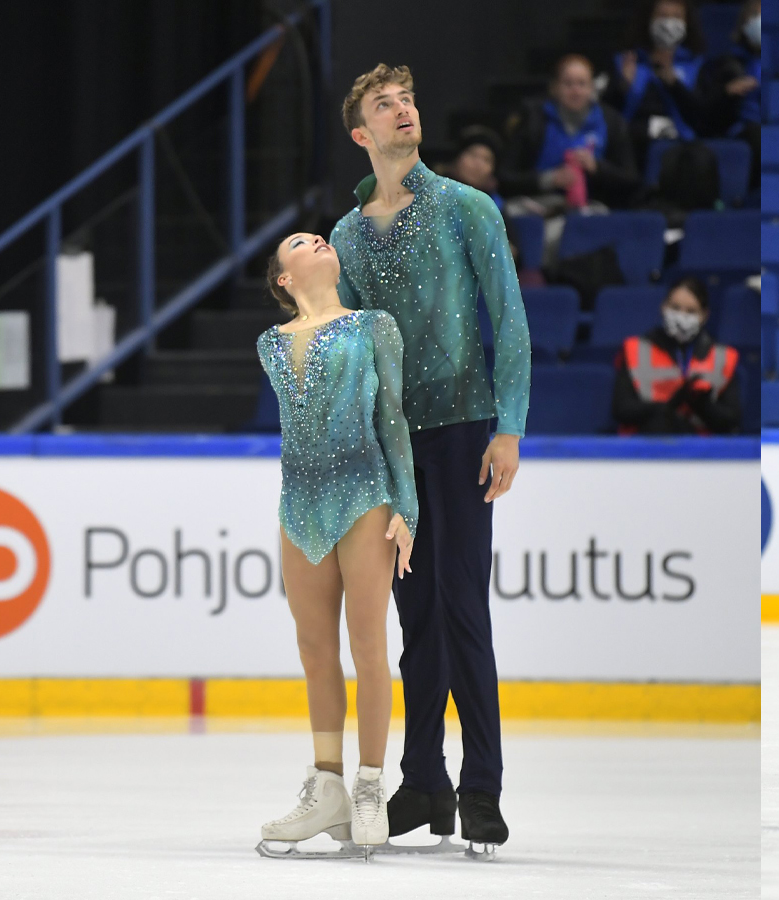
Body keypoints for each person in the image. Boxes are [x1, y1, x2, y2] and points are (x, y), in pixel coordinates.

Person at [328, 63, 531, 854]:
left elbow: (508, 319)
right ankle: (424, 782)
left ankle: (482, 785)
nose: (404, 111)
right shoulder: (345, 236)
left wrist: (508, 427)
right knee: (412, 617)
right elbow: (349, 351)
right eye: (385, 105)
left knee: (461, 608)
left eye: (408, 100)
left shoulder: (465, 208)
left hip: (463, 429)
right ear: (361, 134)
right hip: (392, 445)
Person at [254, 233, 416, 858]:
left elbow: (393, 419)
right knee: (315, 648)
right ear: (284, 280)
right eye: (301, 243)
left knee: (368, 641)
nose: (318, 240)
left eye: (321, 238)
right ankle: (327, 788)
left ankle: (369, 784)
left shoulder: (375, 326)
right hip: (298, 504)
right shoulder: (270, 343)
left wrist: (407, 507)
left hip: (364, 494)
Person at [501, 54, 640, 215]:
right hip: (538, 203)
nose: (576, 90)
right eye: (568, 84)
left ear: (592, 88)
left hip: (591, 206)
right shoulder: (533, 120)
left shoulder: (612, 122)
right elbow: (505, 177)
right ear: (554, 88)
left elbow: (631, 179)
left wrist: (597, 168)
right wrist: (549, 179)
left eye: (582, 84)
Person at [613, 276, 741, 434]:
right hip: (648, 443)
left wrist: (702, 404)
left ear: (704, 315)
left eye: (691, 311)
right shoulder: (635, 349)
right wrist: (664, 408)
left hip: (702, 451)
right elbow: (622, 409)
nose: (681, 316)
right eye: (675, 308)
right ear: (663, 307)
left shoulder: (724, 357)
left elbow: (731, 419)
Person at [603, 0, 710, 166]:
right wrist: (622, 86)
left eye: (676, 17)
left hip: (681, 143)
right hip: (633, 140)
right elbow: (606, 112)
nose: (669, 24)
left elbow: (701, 116)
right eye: (662, 16)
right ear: (648, 20)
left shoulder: (696, 65)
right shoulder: (626, 61)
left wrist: (673, 83)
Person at [697, 0, 762, 188]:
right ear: (745, 24)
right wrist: (727, 92)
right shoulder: (728, 65)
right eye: (755, 17)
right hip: (742, 129)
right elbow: (705, 115)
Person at [440, 126, 502, 201]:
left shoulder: (496, 206)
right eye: (473, 154)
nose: (478, 164)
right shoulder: (434, 192)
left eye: (486, 159)